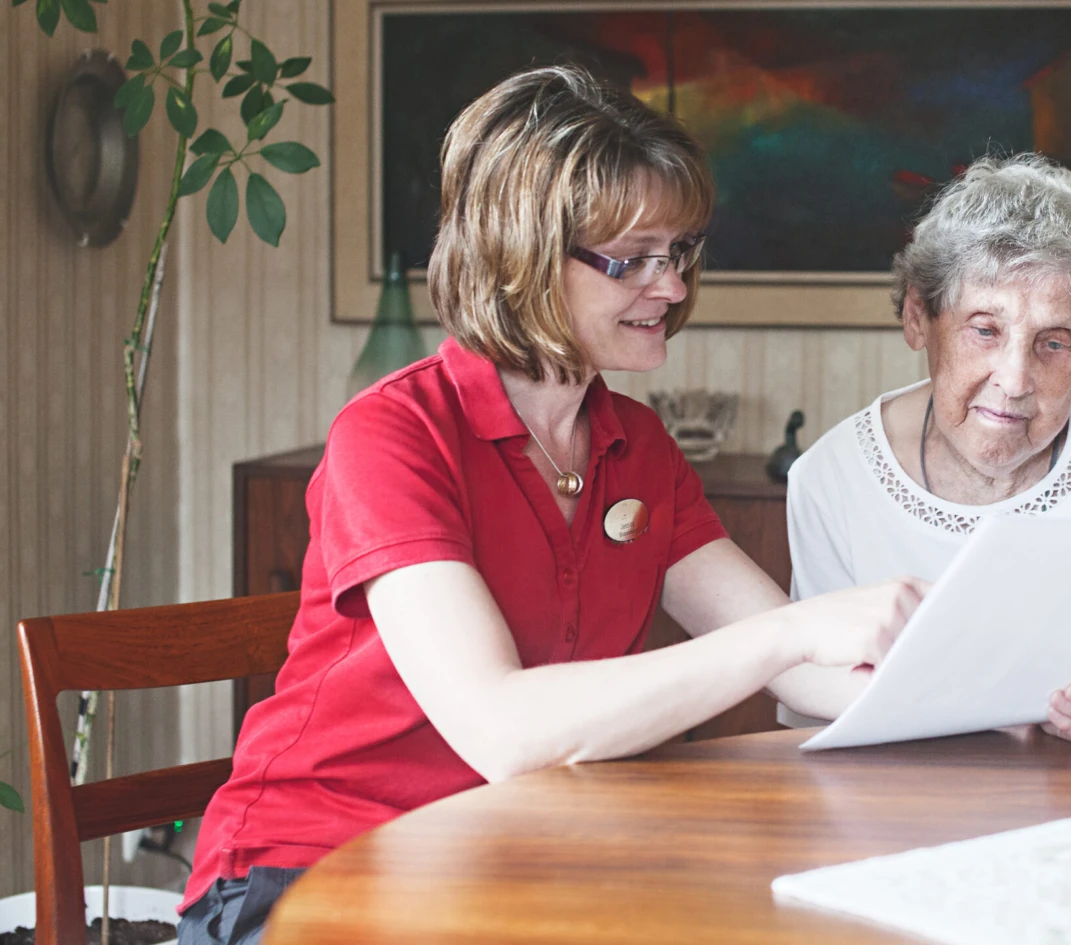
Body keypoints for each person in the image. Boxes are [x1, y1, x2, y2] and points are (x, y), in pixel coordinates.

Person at [177, 66, 925, 945]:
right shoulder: (390, 437)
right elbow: (503, 728)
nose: (674, 288)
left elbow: (802, 671)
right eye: (633, 259)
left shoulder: (637, 446)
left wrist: (1014, 692)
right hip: (312, 872)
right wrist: (789, 633)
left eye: (679, 252)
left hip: (513, 865)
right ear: (519, 257)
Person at [783, 154, 1071, 739]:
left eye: (1055, 343)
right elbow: (820, 717)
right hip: (904, 808)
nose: (1015, 379)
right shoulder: (832, 477)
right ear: (918, 319)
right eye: (984, 330)